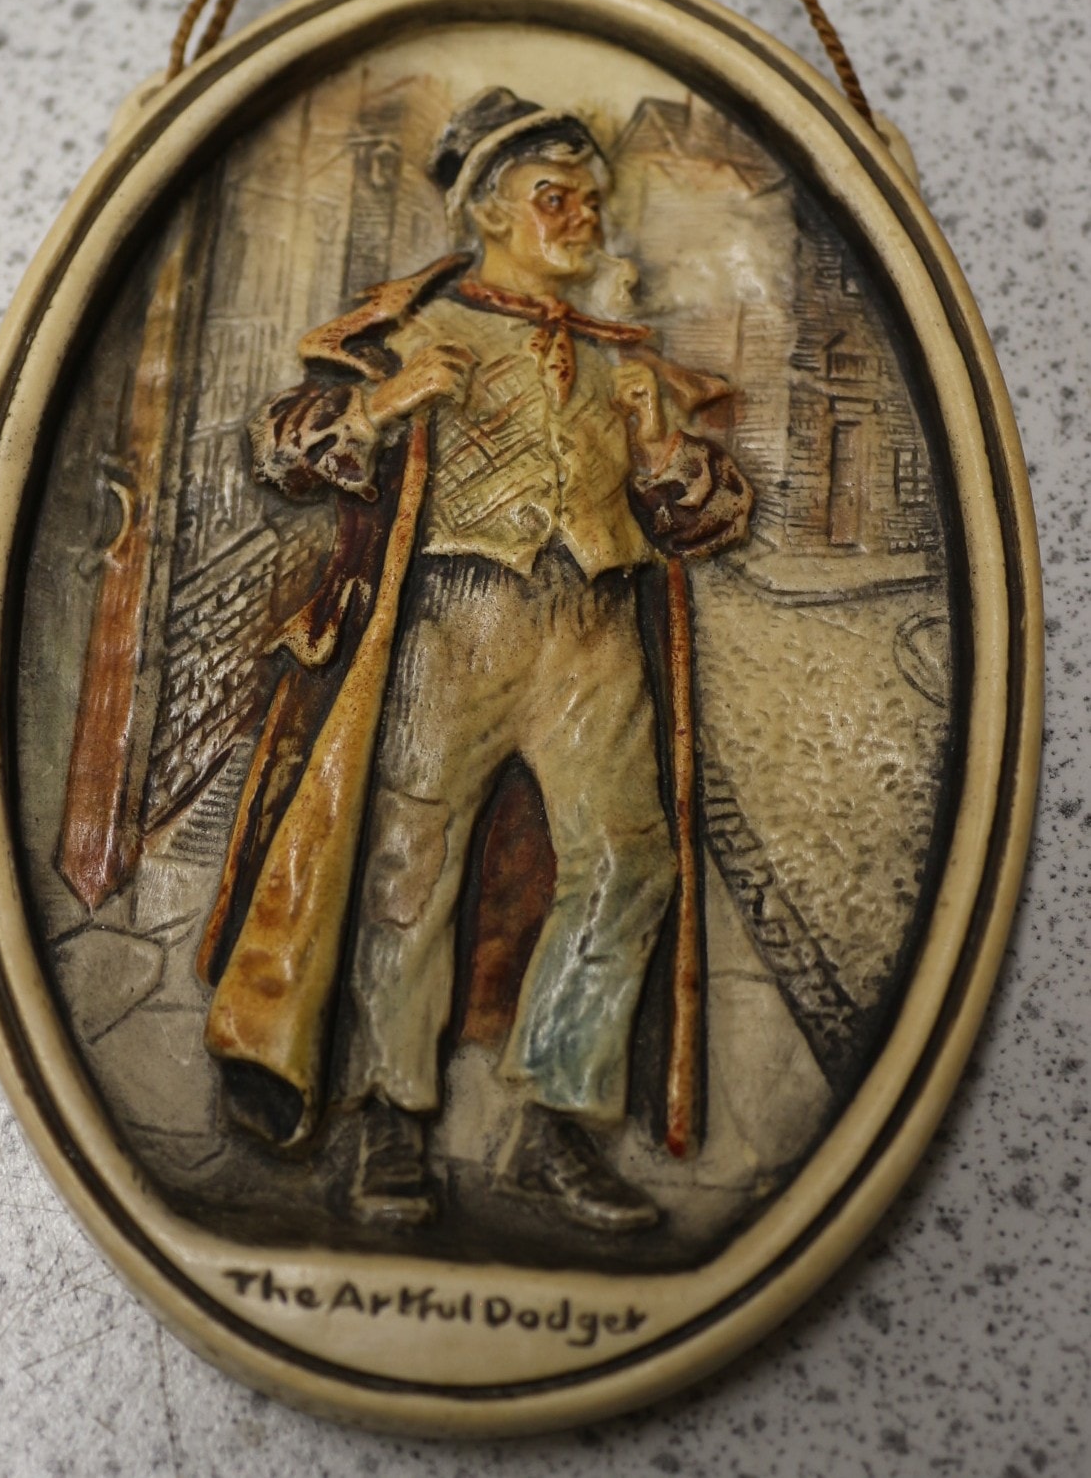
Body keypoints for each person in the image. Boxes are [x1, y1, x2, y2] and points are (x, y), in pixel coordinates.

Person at [198, 88, 753, 1234]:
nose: (583, 216)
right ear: (490, 212)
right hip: (452, 619)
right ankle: (388, 1119)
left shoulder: (623, 356)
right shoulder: (403, 332)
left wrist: (660, 449)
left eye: (590, 198)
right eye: (556, 197)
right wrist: (384, 405)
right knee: (407, 864)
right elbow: (279, 449)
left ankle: (557, 1121)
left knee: (629, 861)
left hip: (592, 628)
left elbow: (709, 518)